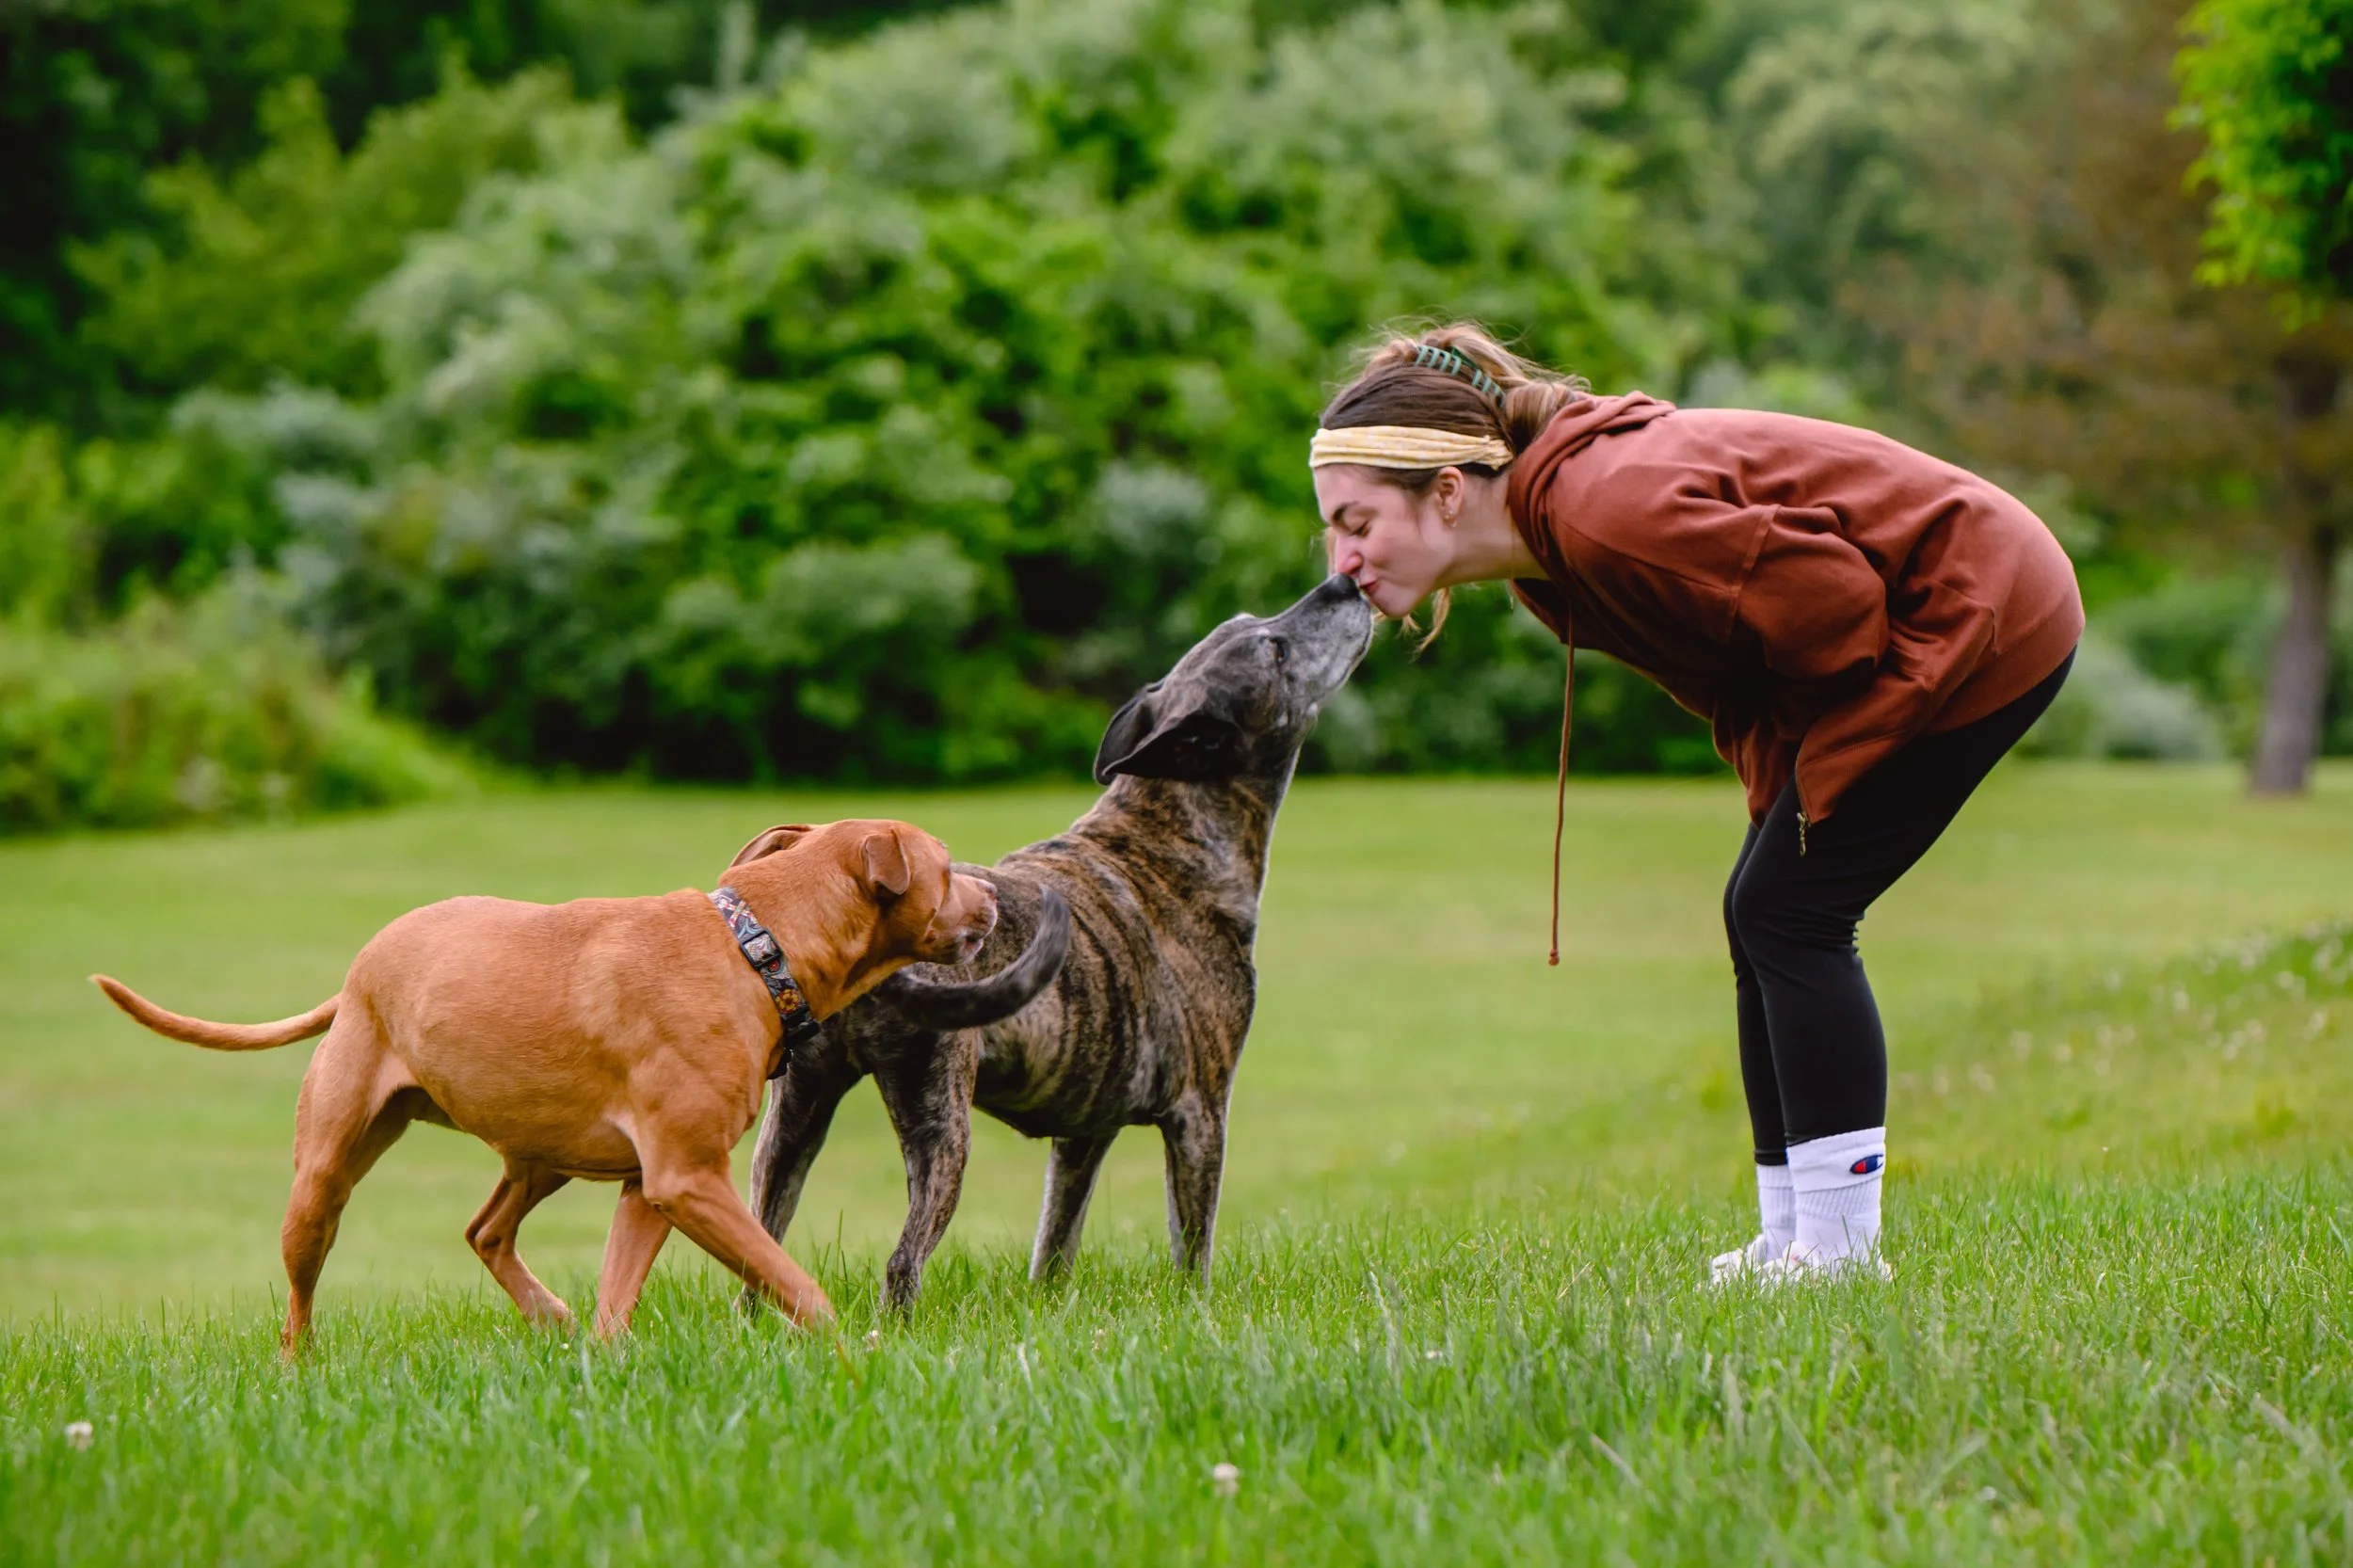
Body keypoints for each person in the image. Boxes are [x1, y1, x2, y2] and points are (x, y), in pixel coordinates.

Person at [1312, 325, 2082, 1280]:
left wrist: (1817, 763)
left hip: (1979, 607)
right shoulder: (1550, 556)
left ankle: (1839, 1256)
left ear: (1445, 492)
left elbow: (1838, 614)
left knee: (1790, 912)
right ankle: (1793, 1240)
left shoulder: (1600, 514)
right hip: (1927, 613)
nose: (1339, 558)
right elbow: (1746, 647)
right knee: (1760, 912)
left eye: (1355, 523)